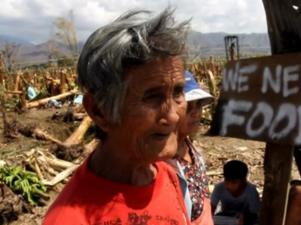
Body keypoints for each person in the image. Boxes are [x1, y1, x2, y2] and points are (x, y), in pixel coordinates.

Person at [43, 8, 191, 225]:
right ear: (99, 111)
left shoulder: (165, 175)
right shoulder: (69, 219)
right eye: (152, 97)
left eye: (178, 92)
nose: (173, 116)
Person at [169, 71, 214, 225]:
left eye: (199, 105)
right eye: (188, 107)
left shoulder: (191, 148)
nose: (196, 113)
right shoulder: (162, 162)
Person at [211, 160, 261, 225]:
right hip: (225, 219)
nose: (228, 185)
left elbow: (255, 214)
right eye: (226, 181)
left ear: (243, 181)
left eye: (233, 182)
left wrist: (246, 219)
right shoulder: (219, 188)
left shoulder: (251, 191)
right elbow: (211, 210)